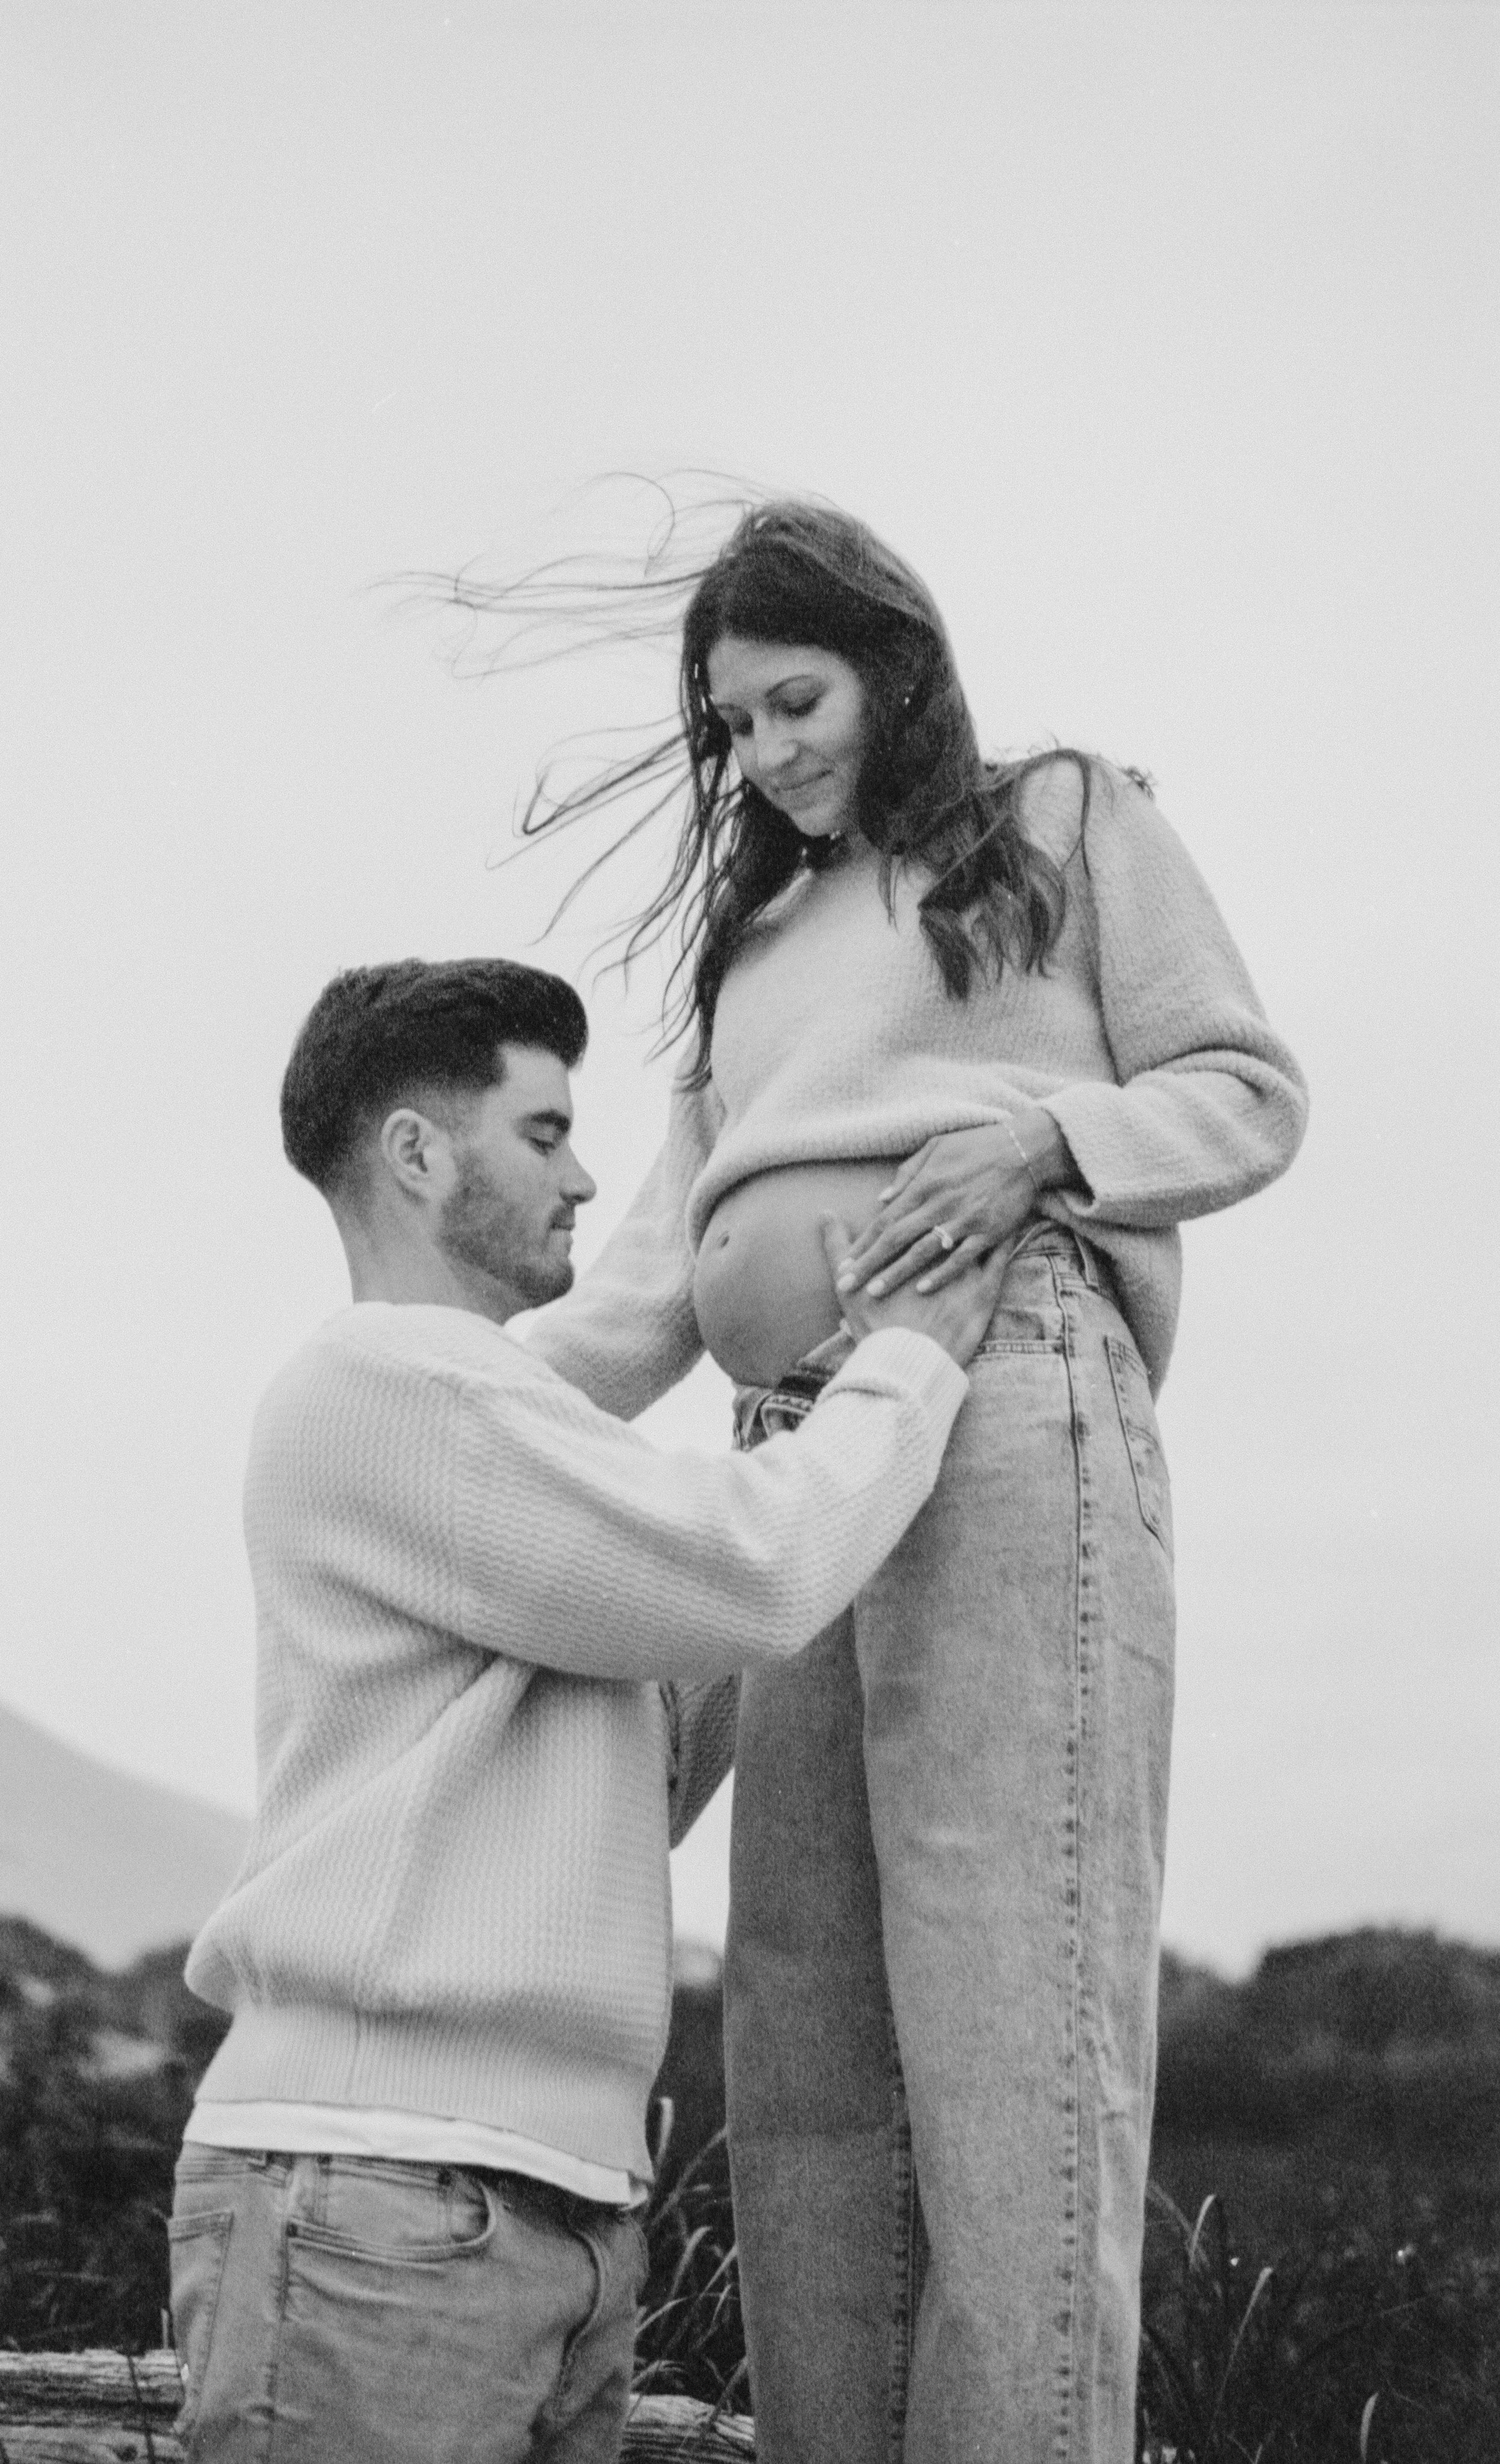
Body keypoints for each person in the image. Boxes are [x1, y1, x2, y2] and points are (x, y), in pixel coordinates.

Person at [521, 500, 1310, 2463]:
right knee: (800, 2038)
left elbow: (1244, 1086)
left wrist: (1043, 1135)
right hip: (786, 1468)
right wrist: (429, 1399)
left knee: (1004, 2001)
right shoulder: (757, 943)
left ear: (894, 663)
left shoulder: (1060, 818)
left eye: (796, 701)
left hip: (1004, 1406)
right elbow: (648, 1284)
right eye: (734, 727)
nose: (770, 750)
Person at [167, 955, 1011, 2464]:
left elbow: (648, 1738)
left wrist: (758, 1144)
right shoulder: (387, 1382)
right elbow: (743, 1569)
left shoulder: (488, 1436)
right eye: (543, 1133)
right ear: (419, 1154)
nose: (581, 1175)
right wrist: (905, 1368)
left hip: (534, 2204)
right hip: (381, 2191)